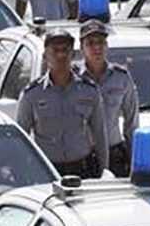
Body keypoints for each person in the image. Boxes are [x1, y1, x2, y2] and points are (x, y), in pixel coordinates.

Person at [17, 28, 108, 178]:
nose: (61, 55)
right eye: (55, 50)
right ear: (45, 56)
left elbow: (99, 134)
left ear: (73, 55)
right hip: (47, 170)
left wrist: (104, 169)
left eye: (65, 50)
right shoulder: (32, 94)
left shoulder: (89, 91)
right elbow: (22, 139)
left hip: (82, 169)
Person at [79, 19, 136, 177]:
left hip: (114, 154)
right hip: (82, 158)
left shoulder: (121, 77)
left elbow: (131, 123)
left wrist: (134, 161)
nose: (97, 47)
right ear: (82, 48)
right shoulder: (73, 78)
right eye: (90, 43)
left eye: (101, 42)